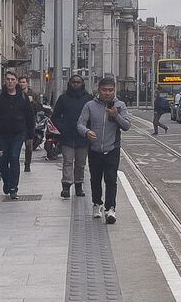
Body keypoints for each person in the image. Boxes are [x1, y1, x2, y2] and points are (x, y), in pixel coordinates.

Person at [77, 76, 131, 224]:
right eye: (104, 90)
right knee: (95, 179)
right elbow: (80, 124)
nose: (107, 93)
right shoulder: (90, 105)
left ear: (114, 90)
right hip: (94, 149)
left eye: (111, 90)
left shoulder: (120, 105)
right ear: (98, 90)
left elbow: (126, 126)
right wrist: (87, 131)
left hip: (112, 148)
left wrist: (116, 115)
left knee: (111, 179)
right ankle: (97, 204)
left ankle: (110, 208)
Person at [0, 70, 35, 199]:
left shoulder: (23, 97)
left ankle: (14, 187)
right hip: (2, 134)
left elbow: (30, 116)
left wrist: (30, 136)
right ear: (5, 81)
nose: (10, 82)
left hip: (18, 133)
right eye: (8, 79)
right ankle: (7, 183)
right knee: (3, 160)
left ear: (16, 82)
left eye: (12, 79)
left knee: (14, 158)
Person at [52, 74, 91, 198]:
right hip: (67, 136)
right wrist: (62, 128)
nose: (75, 84)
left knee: (80, 163)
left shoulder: (88, 99)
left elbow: (93, 116)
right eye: (73, 82)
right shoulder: (63, 98)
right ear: (69, 83)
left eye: (78, 82)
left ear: (82, 84)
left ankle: (79, 184)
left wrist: (88, 130)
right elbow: (55, 116)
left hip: (83, 136)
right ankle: (66, 186)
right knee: (68, 161)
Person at [17, 76, 38, 171]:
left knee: (29, 145)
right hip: (17, 123)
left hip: (29, 123)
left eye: (23, 82)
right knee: (16, 144)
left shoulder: (32, 94)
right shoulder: (15, 93)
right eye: (20, 82)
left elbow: (39, 107)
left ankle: (27, 164)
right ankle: (15, 162)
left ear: (27, 83)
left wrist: (32, 101)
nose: (22, 84)